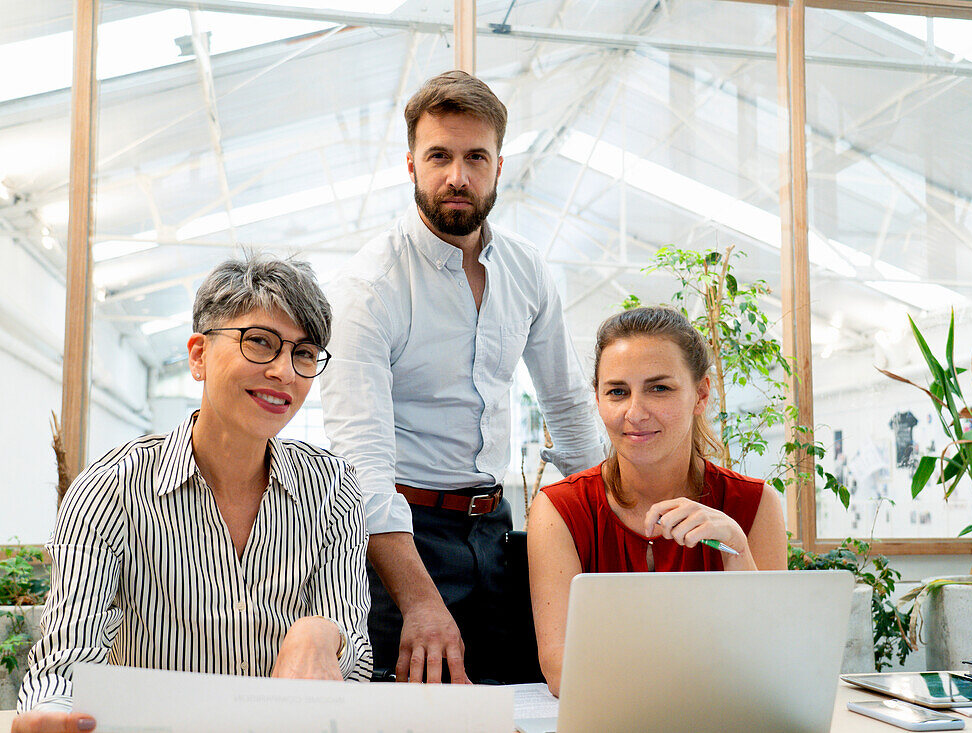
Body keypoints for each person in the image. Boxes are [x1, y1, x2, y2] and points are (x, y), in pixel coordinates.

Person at [320, 70, 604, 685]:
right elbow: (361, 466)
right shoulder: (369, 288)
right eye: (439, 156)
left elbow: (571, 410)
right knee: (415, 721)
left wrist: (612, 532)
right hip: (400, 541)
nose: (458, 176)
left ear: (499, 165)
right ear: (411, 164)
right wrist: (421, 601)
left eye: (476, 157)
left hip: (497, 532)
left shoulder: (526, 270)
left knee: (521, 704)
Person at [13, 255, 372, 733]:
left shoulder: (333, 488)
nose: (285, 372)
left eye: (304, 354)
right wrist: (53, 717)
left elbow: (356, 656)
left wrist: (322, 633)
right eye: (260, 342)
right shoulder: (110, 489)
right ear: (199, 356)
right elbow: (65, 664)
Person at [527, 306, 787, 695]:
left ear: (700, 395)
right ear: (597, 400)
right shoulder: (560, 509)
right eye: (617, 392)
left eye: (659, 388)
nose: (635, 412)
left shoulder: (754, 504)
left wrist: (737, 552)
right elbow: (562, 669)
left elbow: (772, 663)